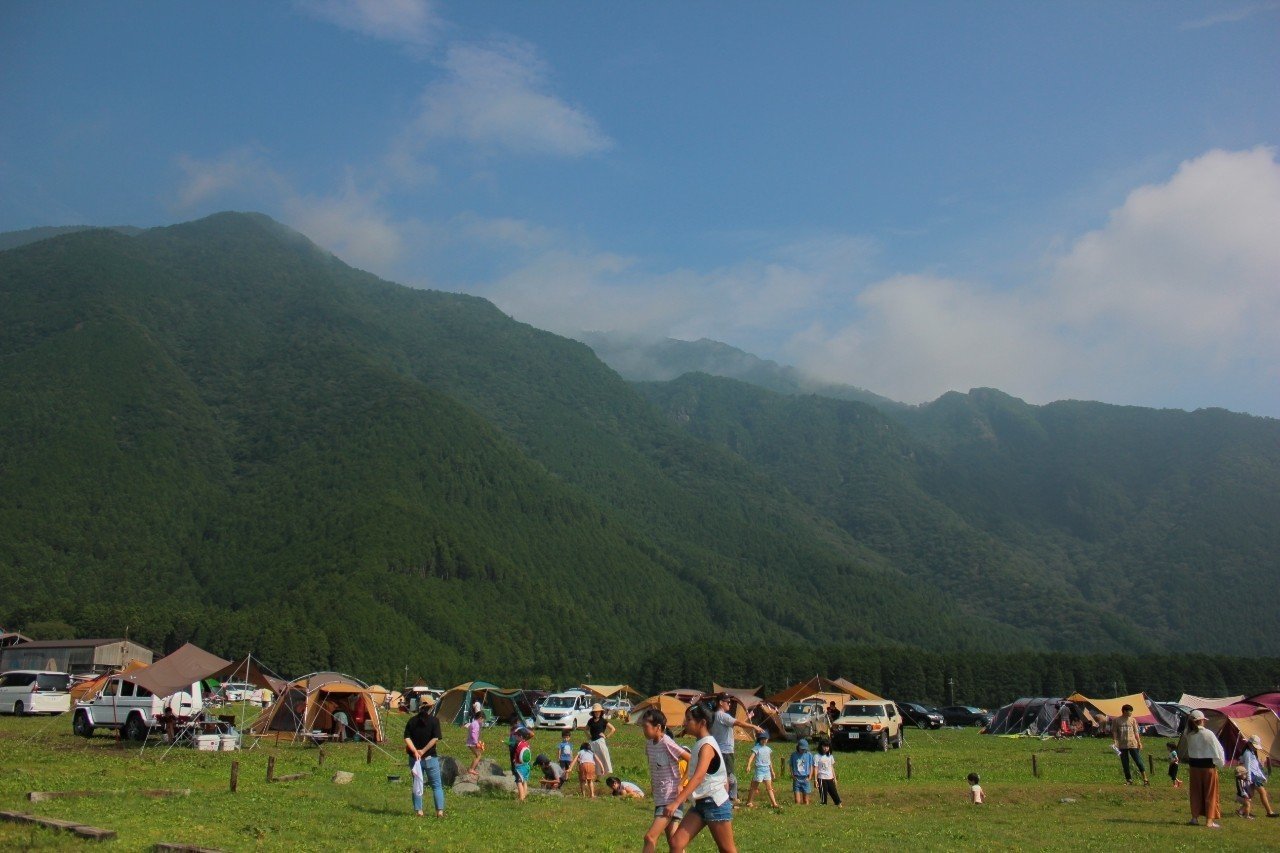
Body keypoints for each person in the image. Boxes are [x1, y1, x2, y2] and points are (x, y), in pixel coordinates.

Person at [664, 703, 737, 853]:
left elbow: (698, 777)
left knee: (727, 850)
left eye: (689, 719)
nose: (685, 723)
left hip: (715, 804)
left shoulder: (707, 746)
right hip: (700, 804)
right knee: (676, 843)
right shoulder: (700, 743)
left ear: (702, 723)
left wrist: (676, 802)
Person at [640, 707, 691, 853]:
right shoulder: (649, 744)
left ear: (658, 727)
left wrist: (681, 784)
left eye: (646, 727)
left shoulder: (667, 742)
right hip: (660, 797)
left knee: (650, 837)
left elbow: (690, 759)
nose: (643, 730)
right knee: (674, 843)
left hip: (670, 798)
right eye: (642, 726)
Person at [710, 693, 764, 804]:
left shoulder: (716, 716)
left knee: (725, 775)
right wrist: (754, 726)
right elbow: (738, 723)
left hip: (720, 751)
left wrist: (747, 718)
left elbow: (735, 722)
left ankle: (730, 797)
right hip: (725, 752)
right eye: (728, 702)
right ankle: (730, 799)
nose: (730, 704)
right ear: (720, 702)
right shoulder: (722, 715)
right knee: (729, 777)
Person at [1183, 709, 1225, 828]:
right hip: (1207, 767)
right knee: (1210, 793)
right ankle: (1209, 821)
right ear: (1201, 721)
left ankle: (1194, 817)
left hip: (1194, 767)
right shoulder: (1208, 734)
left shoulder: (1189, 734)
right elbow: (1218, 750)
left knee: (1195, 793)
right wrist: (1220, 763)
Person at [403, 700, 445, 818]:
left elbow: (407, 737)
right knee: (436, 785)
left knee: (417, 784)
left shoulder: (412, 721)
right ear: (431, 707)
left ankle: (419, 811)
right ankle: (439, 811)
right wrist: (423, 751)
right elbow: (435, 738)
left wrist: (415, 751)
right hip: (430, 758)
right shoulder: (434, 721)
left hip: (414, 759)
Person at [1239, 734, 1277, 818]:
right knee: (1263, 792)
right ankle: (1269, 812)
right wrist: (1248, 778)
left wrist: (1262, 777)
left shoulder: (1252, 753)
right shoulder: (1247, 753)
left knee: (1251, 794)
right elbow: (1248, 767)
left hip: (1255, 775)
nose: (1255, 748)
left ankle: (1241, 811)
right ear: (1250, 744)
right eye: (1254, 746)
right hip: (1252, 776)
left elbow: (1256, 768)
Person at [1112, 703, 1149, 786]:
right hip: (1122, 744)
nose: (1131, 713)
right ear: (1124, 711)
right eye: (1130, 711)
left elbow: (1136, 732)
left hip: (1133, 743)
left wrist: (1139, 742)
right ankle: (1129, 780)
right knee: (1125, 763)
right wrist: (1115, 741)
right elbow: (1114, 731)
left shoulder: (1133, 720)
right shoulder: (1116, 720)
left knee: (1138, 762)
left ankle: (1145, 779)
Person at [744, 731, 779, 808]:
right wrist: (748, 765)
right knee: (754, 787)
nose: (764, 740)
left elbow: (769, 761)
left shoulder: (768, 749)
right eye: (762, 739)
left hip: (767, 770)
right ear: (759, 739)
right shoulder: (756, 748)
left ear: (767, 739)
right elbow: (751, 757)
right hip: (759, 770)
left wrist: (772, 771)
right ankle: (749, 802)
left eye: (765, 739)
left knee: (769, 787)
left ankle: (774, 803)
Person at [587, 703, 618, 775]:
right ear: (593, 713)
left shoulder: (603, 721)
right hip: (592, 741)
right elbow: (586, 729)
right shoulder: (590, 721)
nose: (597, 713)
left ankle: (605, 772)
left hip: (600, 741)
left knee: (603, 756)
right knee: (594, 758)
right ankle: (596, 774)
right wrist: (588, 735)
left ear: (601, 712)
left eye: (598, 711)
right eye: (595, 712)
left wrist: (606, 736)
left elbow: (613, 729)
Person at [785, 738, 816, 804]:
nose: (803, 750)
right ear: (798, 747)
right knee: (797, 801)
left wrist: (810, 777)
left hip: (805, 778)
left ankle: (806, 811)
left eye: (804, 749)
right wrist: (792, 775)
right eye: (801, 749)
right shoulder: (794, 755)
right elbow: (791, 765)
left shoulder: (809, 755)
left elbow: (811, 766)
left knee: (806, 800)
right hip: (797, 779)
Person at [814, 740, 842, 807]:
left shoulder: (830, 756)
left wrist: (834, 778)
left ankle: (838, 804)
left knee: (834, 792)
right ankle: (824, 804)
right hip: (821, 778)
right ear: (821, 746)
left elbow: (831, 767)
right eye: (824, 746)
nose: (826, 748)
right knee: (823, 793)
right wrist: (815, 780)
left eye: (827, 746)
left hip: (830, 777)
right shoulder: (817, 756)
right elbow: (816, 768)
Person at [512, 727, 532, 802]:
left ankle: (521, 798)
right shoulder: (526, 744)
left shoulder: (519, 745)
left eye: (516, 736)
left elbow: (517, 755)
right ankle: (524, 795)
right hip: (527, 766)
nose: (515, 737)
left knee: (519, 782)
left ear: (520, 736)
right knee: (525, 781)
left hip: (520, 767)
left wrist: (514, 760)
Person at [466, 710, 486, 776]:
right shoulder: (476, 724)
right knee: (478, 755)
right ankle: (471, 769)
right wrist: (476, 742)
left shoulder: (474, 723)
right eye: (483, 720)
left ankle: (471, 768)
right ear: (480, 718)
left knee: (478, 754)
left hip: (471, 742)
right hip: (472, 743)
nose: (483, 721)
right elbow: (473, 734)